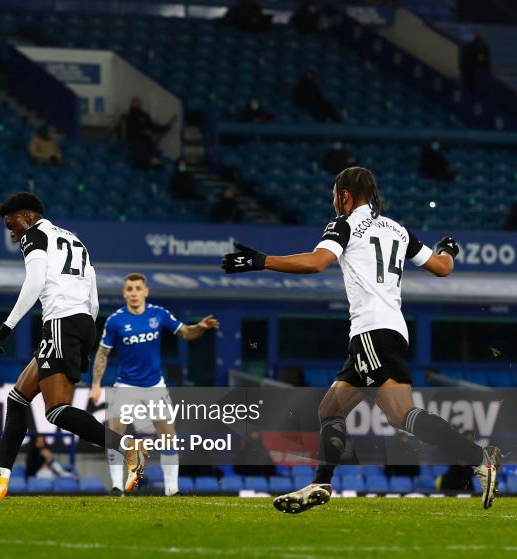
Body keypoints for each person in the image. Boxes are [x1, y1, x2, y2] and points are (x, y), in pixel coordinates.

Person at [221, 166, 503, 513]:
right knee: (331, 408)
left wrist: (260, 260)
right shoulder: (398, 229)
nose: (334, 202)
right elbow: (442, 268)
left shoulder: (345, 224)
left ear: (344, 195)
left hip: (370, 330)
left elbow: (316, 262)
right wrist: (448, 249)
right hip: (393, 329)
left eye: (334, 195)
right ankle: (321, 481)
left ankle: (478, 458)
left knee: (400, 415)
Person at [0, 192, 147, 499]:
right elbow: (92, 296)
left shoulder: (35, 235)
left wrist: (7, 325)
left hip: (61, 323)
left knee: (56, 411)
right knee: (17, 399)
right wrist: (85, 338)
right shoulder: (74, 240)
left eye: (11, 224)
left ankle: (127, 447)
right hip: (81, 323)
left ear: (26, 217)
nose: (11, 233)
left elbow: (36, 281)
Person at [89, 273, 219, 495]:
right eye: (129, 289)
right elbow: (103, 354)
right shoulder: (115, 321)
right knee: (116, 431)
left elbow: (186, 333)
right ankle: (117, 486)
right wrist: (95, 384)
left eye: (138, 288)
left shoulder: (159, 314)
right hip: (126, 385)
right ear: (124, 293)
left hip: (154, 384)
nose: (134, 293)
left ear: (146, 291)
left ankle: (172, 489)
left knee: (168, 434)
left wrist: (200, 327)